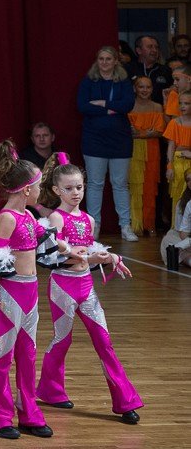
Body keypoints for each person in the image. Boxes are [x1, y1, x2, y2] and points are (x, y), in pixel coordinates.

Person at [33, 156, 141, 425]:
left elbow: (90, 252)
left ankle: (125, 401)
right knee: (62, 340)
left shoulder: (90, 220)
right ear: (56, 190)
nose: (76, 193)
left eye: (79, 187)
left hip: (86, 287)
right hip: (63, 286)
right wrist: (89, 258)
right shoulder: (55, 218)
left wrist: (110, 257)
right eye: (69, 188)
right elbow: (52, 258)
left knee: (104, 342)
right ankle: (50, 390)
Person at [0, 140, 69, 439]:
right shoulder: (6, 218)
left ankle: (29, 412)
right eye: (39, 186)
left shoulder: (28, 216)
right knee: (3, 355)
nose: (41, 191)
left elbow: (52, 241)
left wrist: (83, 253)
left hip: (30, 293)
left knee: (27, 355)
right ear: (27, 190)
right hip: (9, 295)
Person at [78, 44, 137, 239]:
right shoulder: (89, 81)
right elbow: (83, 106)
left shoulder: (123, 82)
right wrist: (112, 109)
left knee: (120, 184)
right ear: (97, 61)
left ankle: (125, 226)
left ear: (115, 61)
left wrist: (103, 103)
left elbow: (127, 105)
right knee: (95, 184)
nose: (104, 62)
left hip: (120, 140)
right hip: (94, 140)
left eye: (108, 59)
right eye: (101, 59)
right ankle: (94, 225)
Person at [126, 76, 167, 237]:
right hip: (132, 151)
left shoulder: (157, 107)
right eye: (141, 87)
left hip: (152, 152)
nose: (144, 90)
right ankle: (135, 224)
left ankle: (150, 224)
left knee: (150, 188)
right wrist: (147, 132)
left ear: (152, 89)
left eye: (148, 87)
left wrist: (140, 133)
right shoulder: (129, 106)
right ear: (135, 88)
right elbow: (129, 132)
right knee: (134, 187)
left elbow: (159, 131)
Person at [164, 94, 191, 223]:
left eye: (186, 103)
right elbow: (171, 146)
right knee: (178, 195)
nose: (182, 106)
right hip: (178, 163)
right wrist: (169, 166)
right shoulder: (174, 123)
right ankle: (176, 226)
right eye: (180, 103)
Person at [127, 34, 171, 101]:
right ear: (139, 50)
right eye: (150, 47)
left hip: (159, 107)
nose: (154, 50)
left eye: (156, 47)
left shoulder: (166, 71)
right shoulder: (127, 69)